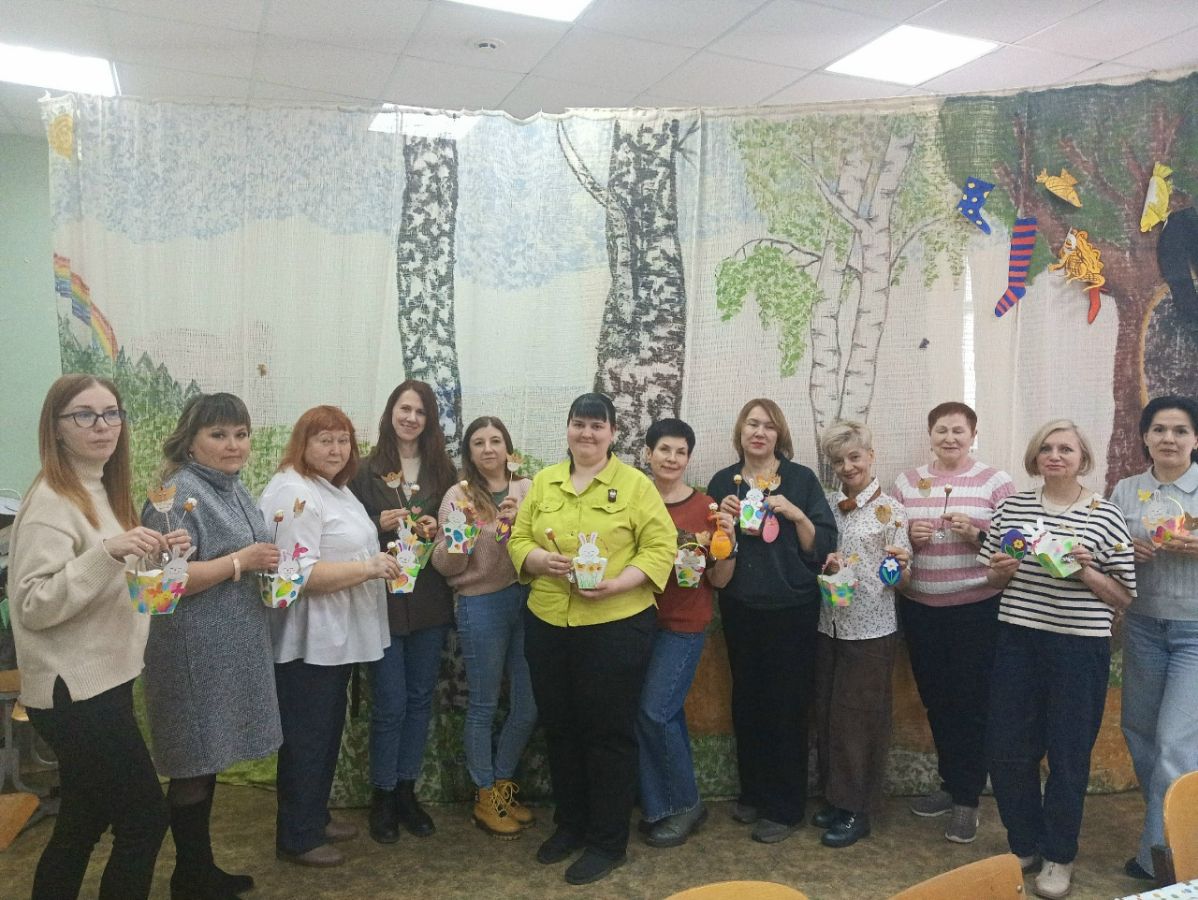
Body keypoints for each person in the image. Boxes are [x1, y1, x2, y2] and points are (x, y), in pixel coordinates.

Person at [9, 374, 187, 900]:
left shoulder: (99, 488)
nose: (102, 425)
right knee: (144, 819)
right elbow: (32, 604)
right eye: (83, 415)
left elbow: (105, 584)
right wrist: (108, 553)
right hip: (74, 691)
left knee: (82, 819)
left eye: (111, 413)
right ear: (56, 428)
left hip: (104, 680)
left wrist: (155, 556)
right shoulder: (51, 502)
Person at [508, 392, 675, 885]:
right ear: (567, 429)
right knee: (560, 728)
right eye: (579, 424)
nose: (587, 433)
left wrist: (619, 583)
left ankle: (607, 841)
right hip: (548, 622)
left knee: (607, 734)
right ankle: (571, 825)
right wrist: (539, 560)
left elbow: (661, 546)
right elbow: (519, 539)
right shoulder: (544, 482)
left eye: (597, 426)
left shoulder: (636, 485)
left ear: (613, 433)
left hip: (615, 625)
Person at [981, 419, 1135, 900]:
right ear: (1035, 457)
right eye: (1046, 448)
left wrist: (1086, 570)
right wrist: (1002, 570)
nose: (1055, 455)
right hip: (1018, 640)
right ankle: (1024, 843)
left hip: (1079, 647)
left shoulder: (1104, 515)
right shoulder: (1012, 508)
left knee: (1068, 756)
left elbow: (1123, 596)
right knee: (1008, 749)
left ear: (1082, 458)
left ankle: (1059, 855)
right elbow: (991, 578)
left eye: (1066, 448)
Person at [140, 393, 282, 899]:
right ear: (191, 442)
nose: (233, 445)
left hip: (228, 646)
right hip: (192, 652)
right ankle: (189, 877)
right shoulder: (177, 494)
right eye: (218, 435)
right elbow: (161, 586)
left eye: (240, 434)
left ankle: (197, 869)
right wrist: (241, 562)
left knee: (207, 759)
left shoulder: (232, 486)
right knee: (193, 764)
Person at [259, 405, 400, 868]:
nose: (336, 449)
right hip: (309, 641)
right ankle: (297, 836)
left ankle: (314, 816)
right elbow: (296, 575)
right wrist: (369, 567)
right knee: (306, 738)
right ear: (303, 443)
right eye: (325, 440)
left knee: (324, 733)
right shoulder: (293, 491)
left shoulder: (330, 487)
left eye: (343, 440)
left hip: (335, 639)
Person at [706, 398, 837, 844]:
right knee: (748, 701)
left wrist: (796, 513)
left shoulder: (800, 480)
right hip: (741, 606)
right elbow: (715, 549)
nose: (759, 432)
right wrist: (723, 521)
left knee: (786, 705)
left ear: (780, 434)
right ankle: (755, 792)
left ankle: (785, 806)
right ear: (740, 431)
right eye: (751, 424)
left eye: (768, 425)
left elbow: (821, 545)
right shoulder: (724, 481)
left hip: (792, 607)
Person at [891, 401, 1014, 843]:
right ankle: (951, 783)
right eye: (941, 430)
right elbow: (892, 542)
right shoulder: (907, 482)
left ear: (973, 435)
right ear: (930, 435)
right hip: (921, 608)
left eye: (958, 431)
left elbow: (1015, 545)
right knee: (937, 701)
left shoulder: (995, 482)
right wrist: (911, 537)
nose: (950, 438)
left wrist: (976, 534)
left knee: (970, 703)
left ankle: (967, 798)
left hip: (976, 609)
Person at [348, 380, 455, 842]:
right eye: (404, 408)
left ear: (430, 421)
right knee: (389, 702)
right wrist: (378, 523)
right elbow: (345, 533)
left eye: (420, 412)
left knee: (418, 698)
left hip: (429, 598)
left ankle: (408, 791)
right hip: (382, 599)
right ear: (390, 411)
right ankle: (383, 795)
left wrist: (436, 526)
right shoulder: (363, 470)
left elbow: (457, 527)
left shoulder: (443, 471)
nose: (411, 418)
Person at [430, 415, 536, 839]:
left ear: (509, 449)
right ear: (469, 453)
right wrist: (463, 536)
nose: (488, 448)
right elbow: (445, 565)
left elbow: (546, 541)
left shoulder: (527, 489)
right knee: (484, 705)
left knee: (528, 705)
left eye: (495, 440)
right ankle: (484, 795)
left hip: (529, 601)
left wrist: (523, 523)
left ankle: (501, 784)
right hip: (481, 603)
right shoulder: (458, 496)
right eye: (478, 442)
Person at [1110, 395, 1198, 883]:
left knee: (1174, 744)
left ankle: (1164, 860)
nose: (1169, 438)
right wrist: (1127, 549)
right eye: (1159, 429)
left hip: (1195, 633)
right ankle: (1173, 827)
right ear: (1144, 437)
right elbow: (1105, 548)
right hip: (1142, 626)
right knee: (1139, 734)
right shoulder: (1127, 490)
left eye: (1180, 430)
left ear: (1195, 439)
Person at [637, 418, 736, 849]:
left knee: (654, 711)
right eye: (664, 449)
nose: (672, 458)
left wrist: (728, 543)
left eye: (680, 452)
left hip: (684, 625)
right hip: (636, 622)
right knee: (661, 713)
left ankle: (686, 804)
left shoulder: (706, 507)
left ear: (689, 458)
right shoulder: (635, 499)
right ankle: (662, 806)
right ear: (648, 453)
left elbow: (721, 580)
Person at [813, 420, 911, 849]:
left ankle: (858, 809)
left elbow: (902, 578)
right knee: (830, 715)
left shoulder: (891, 510)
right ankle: (836, 798)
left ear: (871, 456)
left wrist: (900, 565)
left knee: (860, 720)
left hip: (871, 630)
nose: (847, 466)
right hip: (829, 623)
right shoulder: (829, 506)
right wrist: (831, 563)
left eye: (854, 456)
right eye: (838, 461)